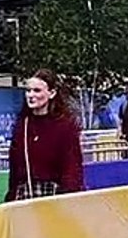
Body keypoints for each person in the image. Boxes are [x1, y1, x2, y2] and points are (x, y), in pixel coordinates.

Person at [6, 69, 85, 201]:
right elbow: (14, 168)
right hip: (25, 194)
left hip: (55, 196)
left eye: (37, 90)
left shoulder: (65, 126)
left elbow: (72, 167)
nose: (31, 95)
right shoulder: (22, 125)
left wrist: (67, 198)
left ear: (52, 93)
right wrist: (11, 197)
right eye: (28, 90)